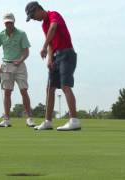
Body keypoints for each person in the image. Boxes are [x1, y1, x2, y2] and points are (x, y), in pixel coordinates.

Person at [25, 2, 81, 131]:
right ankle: (48, 121)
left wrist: (43, 46)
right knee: (50, 88)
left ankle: (74, 120)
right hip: (55, 56)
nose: (33, 19)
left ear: (38, 9)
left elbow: (53, 28)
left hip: (67, 53)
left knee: (65, 86)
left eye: (33, 16)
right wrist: (50, 59)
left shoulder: (53, 15)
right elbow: (50, 42)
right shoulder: (44, 25)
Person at [0, 12, 35, 127]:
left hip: (19, 65)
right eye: (6, 23)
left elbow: (26, 51)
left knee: (24, 90)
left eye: (10, 22)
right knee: (7, 92)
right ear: (4, 23)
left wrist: (20, 60)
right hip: (6, 65)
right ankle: (6, 119)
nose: (8, 24)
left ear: (13, 22)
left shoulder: (21, 34)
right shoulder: (0, 35)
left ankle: (29, 118)